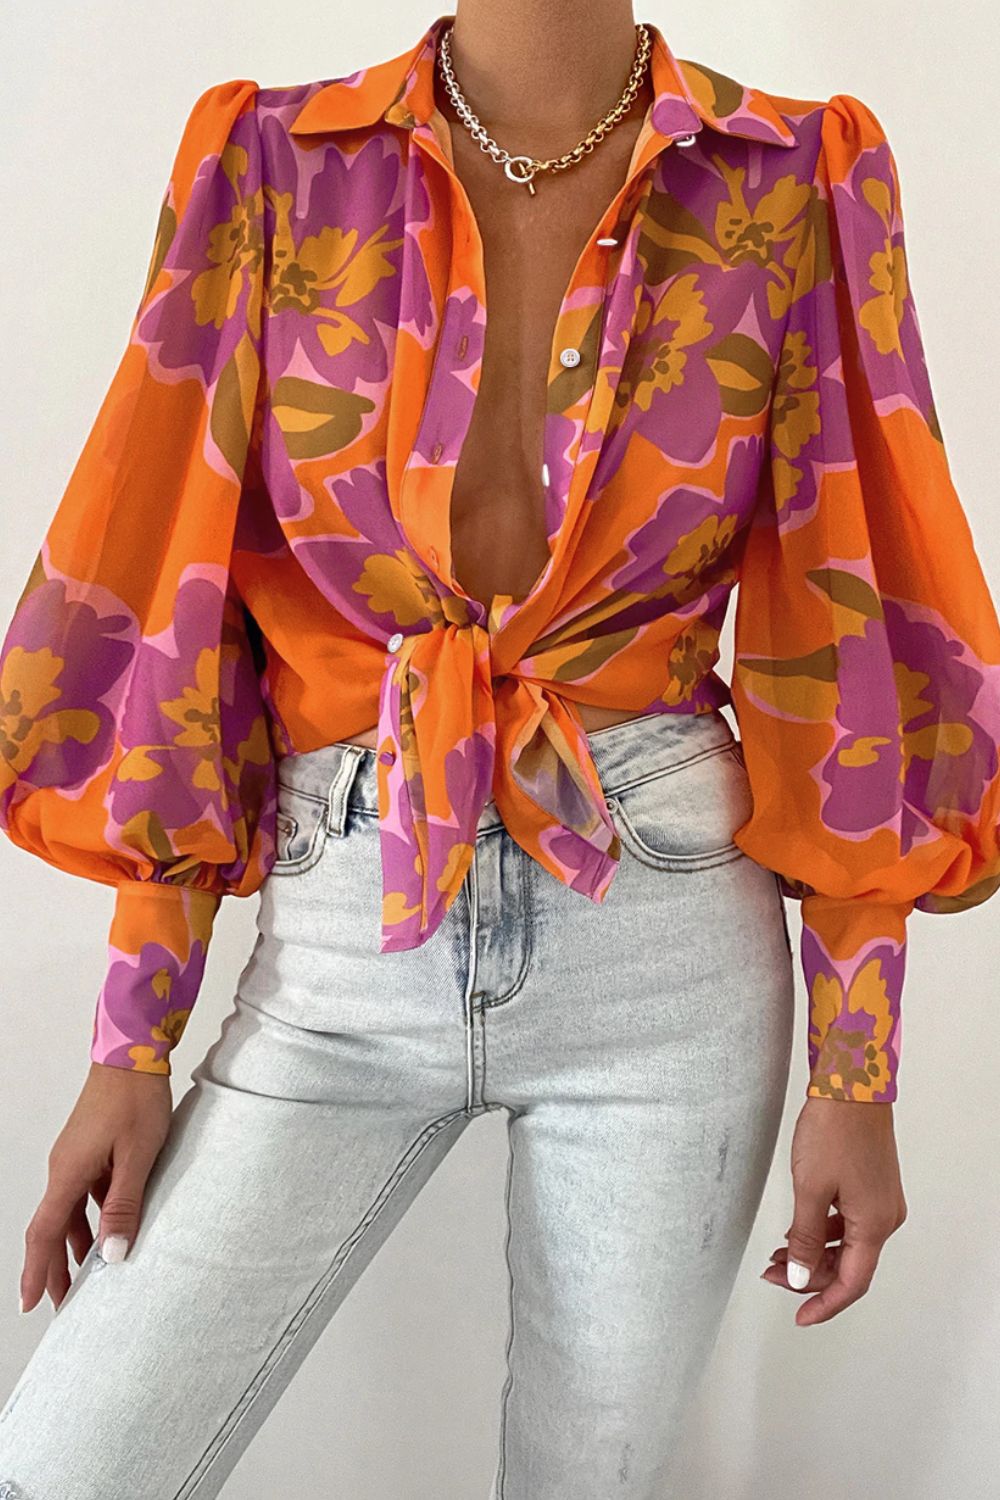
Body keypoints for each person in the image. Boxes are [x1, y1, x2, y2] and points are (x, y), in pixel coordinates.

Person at [0, 4, 998, 1496]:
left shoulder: (792, 177)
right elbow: (178, 603)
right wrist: (130, 1041)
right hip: (343, 950)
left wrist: (856, 1073)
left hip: (663, 950)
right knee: (70, 1467)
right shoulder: (271, 161)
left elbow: (846, 631)